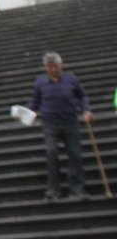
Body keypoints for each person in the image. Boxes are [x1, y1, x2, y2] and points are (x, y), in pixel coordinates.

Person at [27, 51, 93, 201]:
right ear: (46, 67)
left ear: (61, 65)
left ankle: (77, 189)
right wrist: (25, 112)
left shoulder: (71, 79)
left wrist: (86, 110)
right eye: (50, 67)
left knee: (74, 154)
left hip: (70, 120)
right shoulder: (41, 82)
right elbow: (35, 102)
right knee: (52, 153)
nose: (53, 69)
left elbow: (82, 96)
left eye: (55, 66)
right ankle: (53, 190)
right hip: (50, 123)